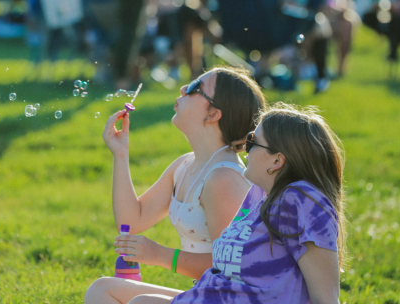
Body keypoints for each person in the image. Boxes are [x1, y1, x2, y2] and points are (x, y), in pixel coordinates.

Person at [127, 103, 347, 304]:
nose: (245, 148)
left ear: (277, 161)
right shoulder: (258, 197)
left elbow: (325, 297)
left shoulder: (302, 200)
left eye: (252, 141)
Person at [84, 67, 267, 304]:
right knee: (101, 290)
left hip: (234, 298)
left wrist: (160, 255)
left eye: (193, 88)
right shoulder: (185, 165)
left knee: (142, 303)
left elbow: (231, 267)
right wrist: (120, 155)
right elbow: (132, 219)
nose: (182, 88)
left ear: (213, 113)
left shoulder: (224, 179)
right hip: (207, 294)